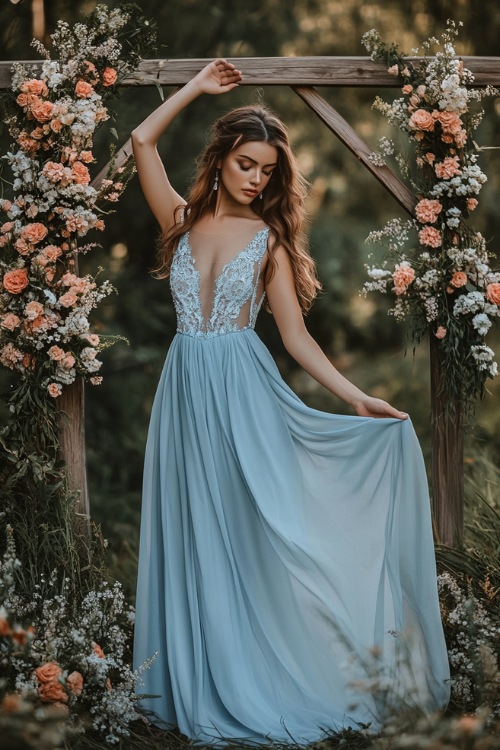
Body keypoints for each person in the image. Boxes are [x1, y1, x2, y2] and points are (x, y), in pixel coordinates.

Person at [131, 59, 450, 745]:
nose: (256, 178)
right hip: (185, 391)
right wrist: (193, 89)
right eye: (246, 164)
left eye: (268, 170)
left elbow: (297, 339)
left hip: (245, 393)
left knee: (263, 530)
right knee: (195, 532)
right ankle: (206, 673)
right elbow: (141, 143)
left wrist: (358, 396)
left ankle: (282, 670)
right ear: (220, 162)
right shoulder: (181, 222)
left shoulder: (269, 243)